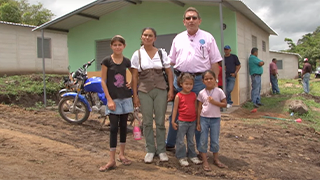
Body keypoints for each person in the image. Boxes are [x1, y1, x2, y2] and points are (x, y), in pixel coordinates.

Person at [166, 7, 222, 152]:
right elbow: (171, 61)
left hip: (198, 81)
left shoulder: (208, 37)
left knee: (198, 113)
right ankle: (171, 143)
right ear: (184, 21)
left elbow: (215, 62)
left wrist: (214, 84)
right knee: (177, 111)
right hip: (180, 79)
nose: (191, 20)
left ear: (199, 20)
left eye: (194, 18)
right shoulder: (178, 38)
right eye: (188, 18)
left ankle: (199, 147)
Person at [131, 27, 174, 163]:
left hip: (161, 89)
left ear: (155, 38)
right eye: (145, 35)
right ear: (141, 37)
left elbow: (168, 72)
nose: (147, 38)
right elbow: (134, 77)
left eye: (150, 36)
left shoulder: (161, 53)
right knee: (147, 122)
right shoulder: (137, 54)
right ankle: (150, 149)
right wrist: (135, 96)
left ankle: (161, 150)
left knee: (160, 121)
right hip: (144, 91)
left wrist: (171, 90)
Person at [99, 35, 133, 172]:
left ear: (124, 46)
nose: (117, 47)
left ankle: (122, 154)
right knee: (113, 128)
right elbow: (103, 80)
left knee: (123, 127)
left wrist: (131, 83)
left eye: (120, 45)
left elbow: (135, 74)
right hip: (113, 99)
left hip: (125, 98)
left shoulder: (126, 61)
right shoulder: (106, 61)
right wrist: (109, 99)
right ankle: (111, 159)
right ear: (111, 46)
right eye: (115, 45)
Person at [197, 70, 227, 171]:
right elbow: (199, 108)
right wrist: (198, 122)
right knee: (203, 139)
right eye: (206, 79)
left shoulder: (219, 91)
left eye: (211, 78)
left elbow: (224, 104)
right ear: (203, 81)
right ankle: (205, 160)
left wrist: (214, 102)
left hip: (215, 119)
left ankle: (216, 159)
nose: (209, 80)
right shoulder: (201, 93)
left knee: (215, 139)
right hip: (204, 119)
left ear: (215, 80)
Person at [171, 73, 203, 167]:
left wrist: (198, 122)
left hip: (192, 121)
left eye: (190, 84)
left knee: (191, 140)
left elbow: (197, 109)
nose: (188, 86)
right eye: (186, 84)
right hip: (182, 122)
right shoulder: (178, 96)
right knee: (180, 140)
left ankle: (192, 155)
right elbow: (175, 109)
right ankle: (181, 157)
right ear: (181, 84)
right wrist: (173, 121)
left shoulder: (194, 95)